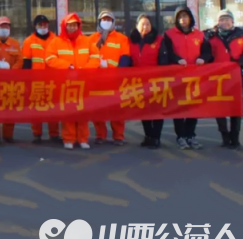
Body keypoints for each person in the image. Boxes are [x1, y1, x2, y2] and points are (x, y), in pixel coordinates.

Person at [159, 6, 212, 150]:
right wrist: (177, 59)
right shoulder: (169, 34)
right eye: (180, 17)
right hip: (177, 78)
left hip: (195, 78)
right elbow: (167, 52)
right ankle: (180, 136)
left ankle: (190, 135)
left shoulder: (200, 35)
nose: (183, 19)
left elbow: (208, 52)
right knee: (179, 108)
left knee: (193, 108)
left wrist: (203, 58)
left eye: (185, 16)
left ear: (190, 18)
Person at [45, 13, 100, 150]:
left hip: (83, 83)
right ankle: (68, 138)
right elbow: (49, 58)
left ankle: (83, 139)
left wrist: (84, 70)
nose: (72, 27)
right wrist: (67, 66)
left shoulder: (86, 41)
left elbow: (96, 57)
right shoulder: (56, 42)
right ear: (64, 26)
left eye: (74, 25)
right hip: (66, 84)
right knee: (68, 112)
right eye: (69, 25)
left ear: (78, 26)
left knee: (83, 112)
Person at [205, 9, 243, 149]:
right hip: (217, 78)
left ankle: (235, 138)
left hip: (235, 77)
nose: (225, 22)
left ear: (232, 21)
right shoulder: (210, 37)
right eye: (222, 19)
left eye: (227, 19)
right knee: (219, 108)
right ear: (218, 22)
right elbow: (205, 54)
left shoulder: (242, 36)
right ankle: (225, 137)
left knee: (236, 107)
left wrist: (241, 61)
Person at [90, 11, 132, 146]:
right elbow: (86, 56)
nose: (106, 22)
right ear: (99, 21)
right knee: (97, 109)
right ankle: (100, 135)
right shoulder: (91, 39)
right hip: (96, 80)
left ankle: (118, 136)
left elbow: (125, 57)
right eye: (104, 19)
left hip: (115, 80)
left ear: (113, 22)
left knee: (117, 110)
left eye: (109, 19)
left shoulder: (121, 38)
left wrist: (119, 72)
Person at [22, 15, 60, 144]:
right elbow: (26, 63)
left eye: (45, 24)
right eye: (40, 24)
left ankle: (54, 134)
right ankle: (37, 134)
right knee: (36, 109)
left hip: (52, 81)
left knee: (53, 109)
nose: (43, 27)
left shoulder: (55, 39)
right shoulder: (29, 41)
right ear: (35, 26)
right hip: (36, 81)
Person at [130, 14, 165, 149]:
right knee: (143, 110)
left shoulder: (159, 40)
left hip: (156, 81)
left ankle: (156, 137)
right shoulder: (131, 41)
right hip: (139, 82)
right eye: (142, 24)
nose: (145, 26)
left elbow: (164, 60)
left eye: (148, 24)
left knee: (156, 110)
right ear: (137, 26)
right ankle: (148, 136)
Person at [0, 16, 23, 145]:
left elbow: (20, 60)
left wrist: (11, 70)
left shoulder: (15, 43)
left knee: (10, 108)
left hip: (10, 82)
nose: (4, 29)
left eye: (6, 26)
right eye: (2, 26)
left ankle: (8, 135)